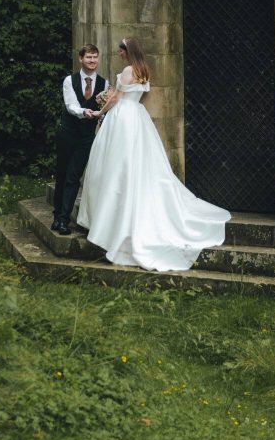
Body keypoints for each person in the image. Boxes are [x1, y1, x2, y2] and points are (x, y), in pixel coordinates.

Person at [77, 36, 230, 271]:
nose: (119, 52)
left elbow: (117, 97)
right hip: (138, 117)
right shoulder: (144, 70)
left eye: (121, 49)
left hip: (123, 117)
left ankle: (112, 218)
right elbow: (136, 95)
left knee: (116, 162)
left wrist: (100, 112)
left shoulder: (128, 70)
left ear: (128, 51)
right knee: (138, 161)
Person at [52, 43, 107, 236]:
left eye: (95, 57)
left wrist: (102, 115)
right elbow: (71, 105)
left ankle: (64, 220)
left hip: (86, 138)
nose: (92, 61)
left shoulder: (104, 83)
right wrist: (86, 112)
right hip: (67, 133)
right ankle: (57, 215)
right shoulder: (70, 80)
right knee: (62, 174)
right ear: (80, 59)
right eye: (88, 57)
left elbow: (104, 109)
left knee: (74, 177)